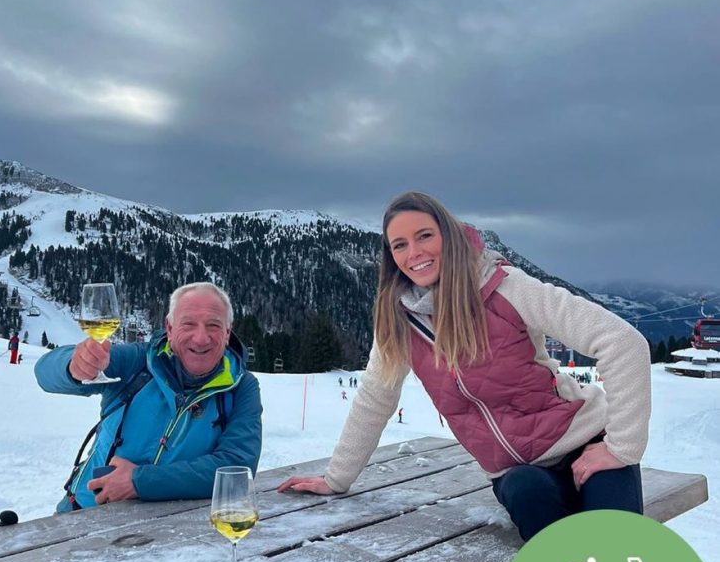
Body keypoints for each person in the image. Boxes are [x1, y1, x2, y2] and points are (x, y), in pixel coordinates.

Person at [278, 191, 650, 542]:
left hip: (585, 443)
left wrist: (620, 448)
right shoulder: (398, 320)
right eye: (400, 245)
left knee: (618, 549)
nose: (414, 253)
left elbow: (623, 343)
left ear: (449, 236)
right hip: (519, 473)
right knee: (532, 504)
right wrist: (336, 479)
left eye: (424, 235)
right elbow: (375, 397)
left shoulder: (505, 288)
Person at [35, 282, 262, 512]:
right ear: (170, 328)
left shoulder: (242, 386)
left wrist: (139, 481)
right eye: (188, 324)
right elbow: (45, 373)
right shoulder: (139, 362)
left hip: (170, 528)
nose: (201, 338)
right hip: (83, 515)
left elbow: (237, 467)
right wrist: (73, 366)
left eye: (213, 325)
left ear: (227, 333)